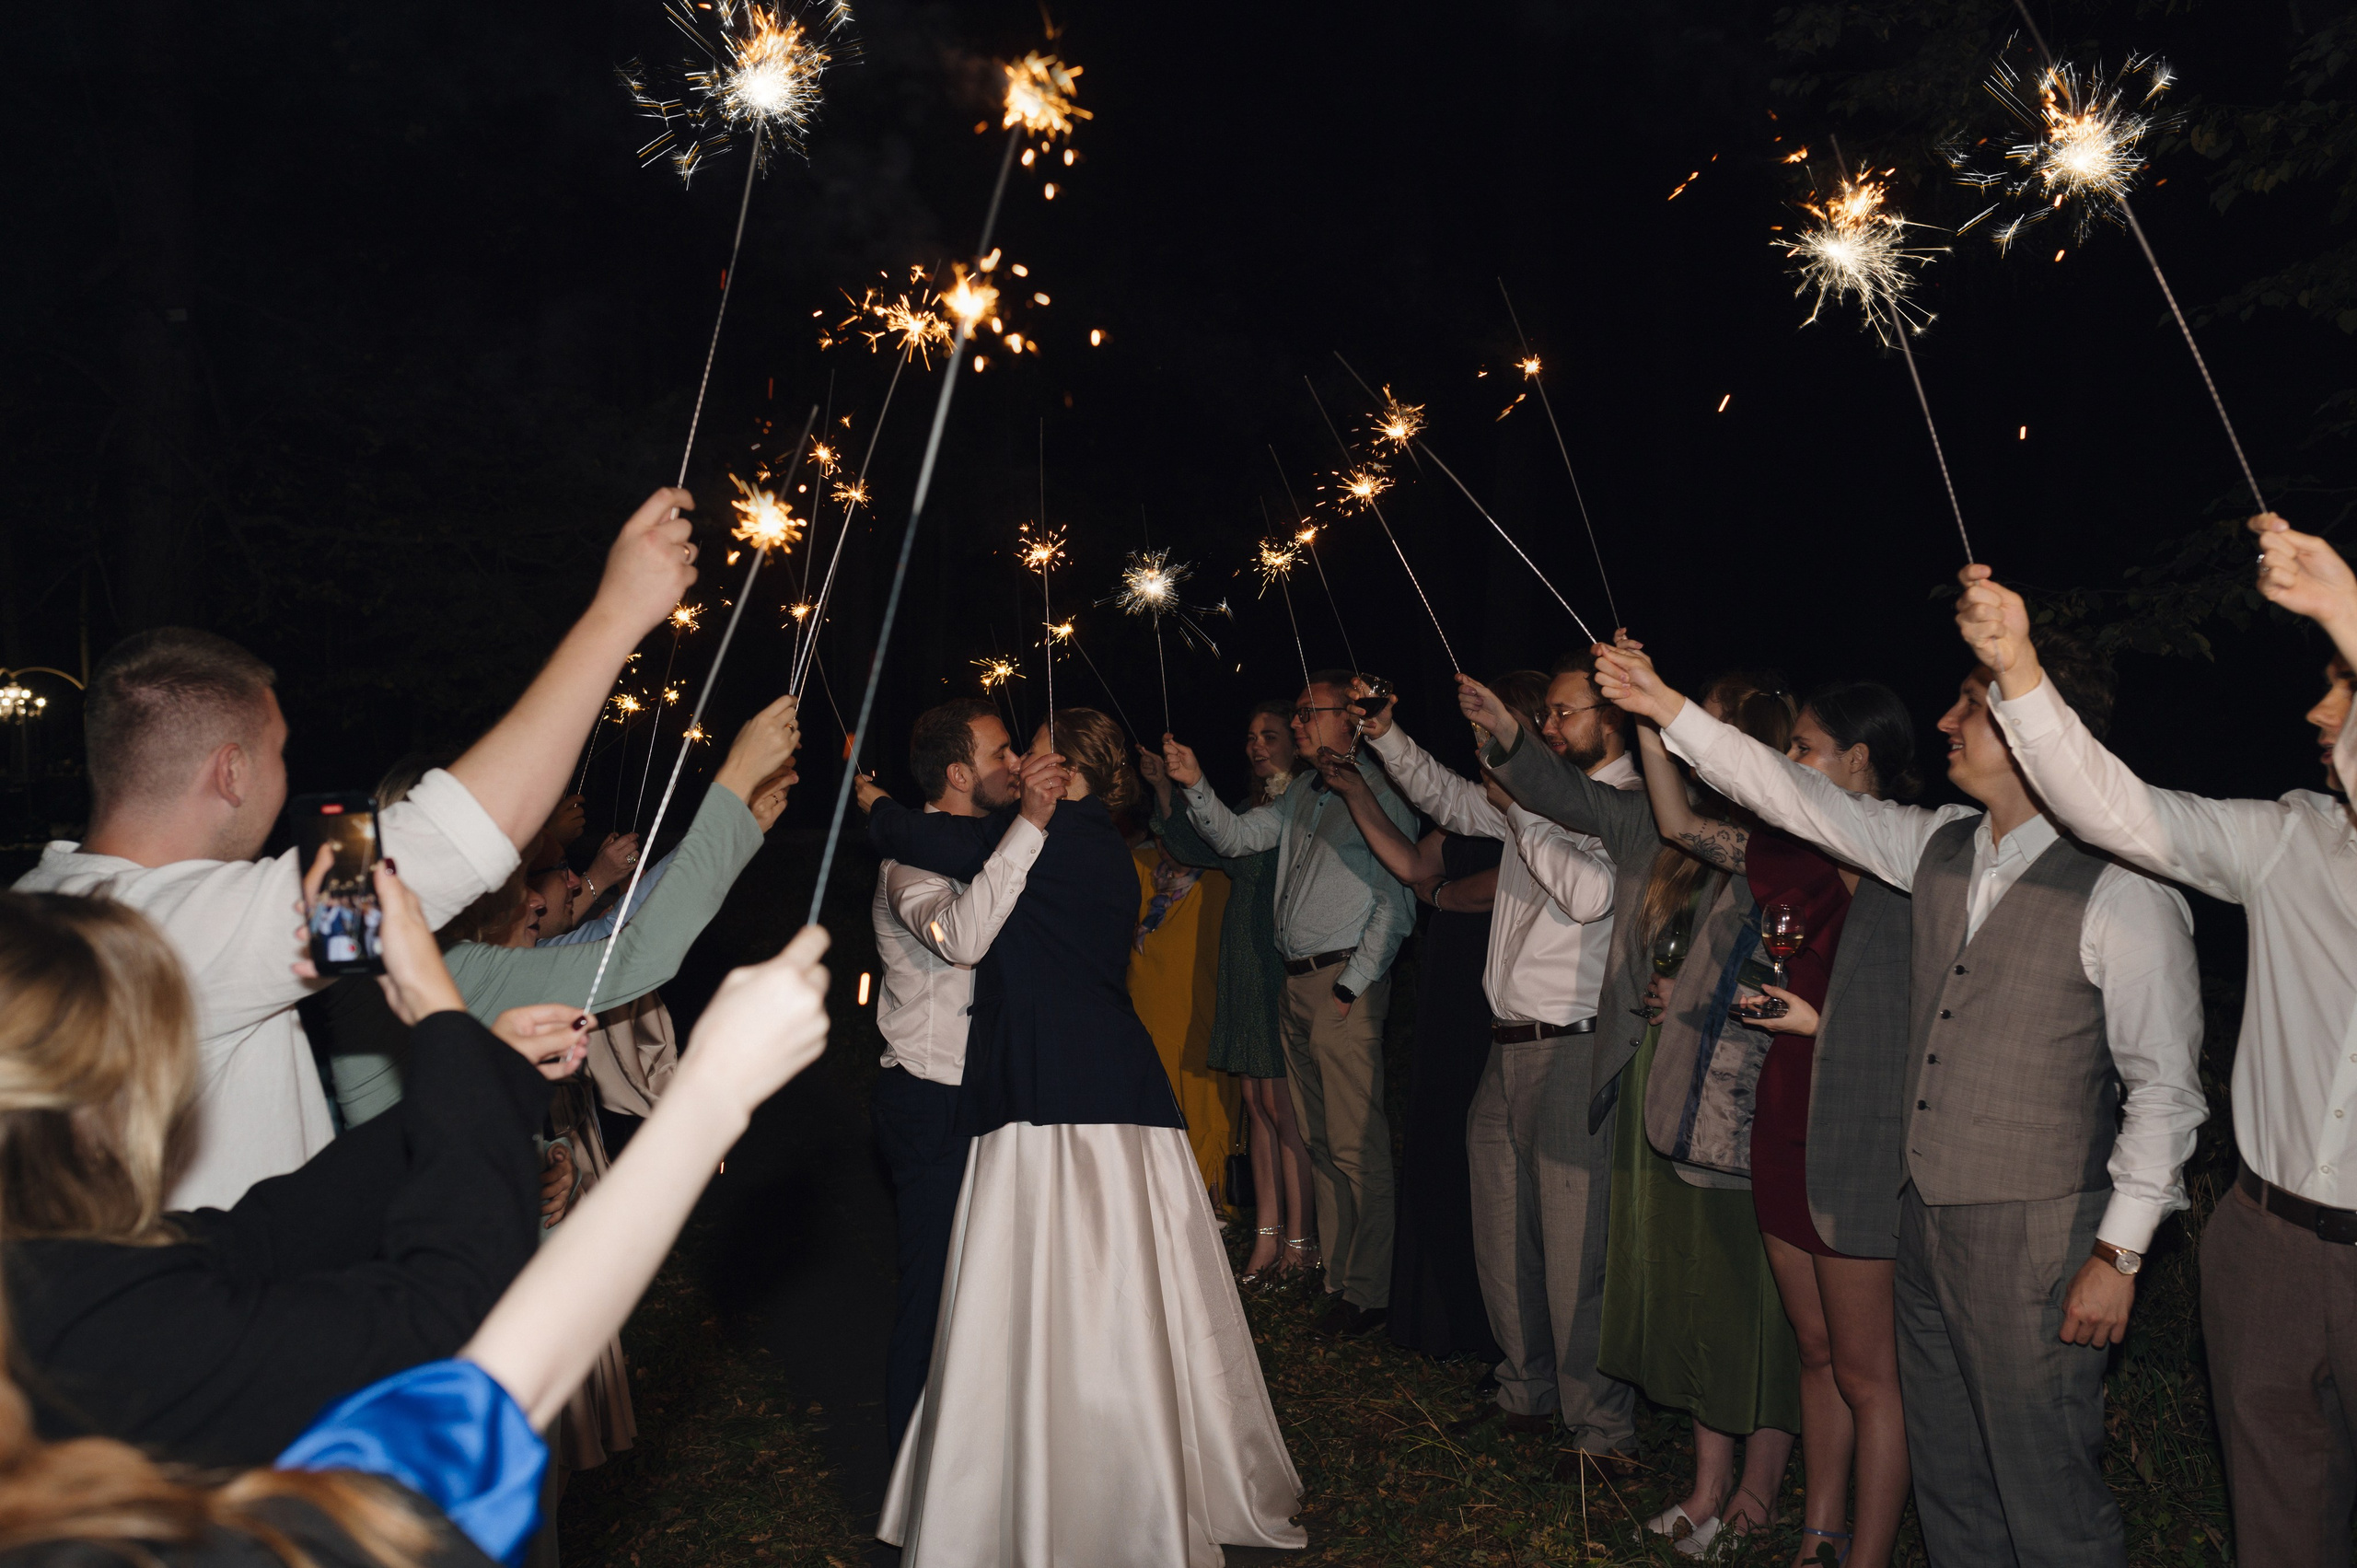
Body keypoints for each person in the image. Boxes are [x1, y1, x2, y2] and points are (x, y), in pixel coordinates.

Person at [1593, 630, 2206, 1568]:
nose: (1945, 719)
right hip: (1919, 1221)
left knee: (2044, 1490)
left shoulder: (2127, 887)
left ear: (2043, 729)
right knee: (1953, 1480)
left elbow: (2164, 1092)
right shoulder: (1936, 846)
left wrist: (2118, 1253)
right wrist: (1665, 708)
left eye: (1972, 703)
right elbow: (1792, 793)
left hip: (2037, 1234)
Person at [13, 488, 702, 1210]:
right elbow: (442, 845)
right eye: (280, 753)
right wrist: (616, 615)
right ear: (233, 771)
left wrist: (480, 1087)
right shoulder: (160, 932)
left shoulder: (42, 908)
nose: (289, 778)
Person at [1955, 514, 2357, 1568]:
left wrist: (2350, 611)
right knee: (2277, 1519)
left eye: (2348, 685)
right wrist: (2022, 674)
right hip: (2264, 1242)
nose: (2319, 707)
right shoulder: (2286, 838)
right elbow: (2118, 810)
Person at [869, 709, 1306, 1565]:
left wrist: (874, 802)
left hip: (1053, 1086)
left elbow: (945, 863)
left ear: (1060, 767)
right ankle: (1104, 1466)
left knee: (1048, 1286)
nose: (1019, 759)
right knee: (1121, 1285)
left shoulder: (1050, 836)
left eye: (1028, 745)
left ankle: (1076, 1480)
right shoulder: (1099, 840)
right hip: (1115, 1082)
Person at [0, 866, 585, 1469]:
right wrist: (437, 1010)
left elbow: (270, 1231)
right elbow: (437, 1322)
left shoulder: (45, 1267)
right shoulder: (104, 1325)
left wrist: (482, 1070)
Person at [1466, 667, 1804, 1553]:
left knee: (1748, 1301)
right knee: (1687, 1287)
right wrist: (1507, 729)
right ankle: (1705, 1485)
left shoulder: (1797, 845)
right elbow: (1554, 789)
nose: (1692, 740)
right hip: (1667, 1087)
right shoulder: (1683, 835)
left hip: (1751, 1101)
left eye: (1709, 725)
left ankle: (1756, 1495)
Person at [1611, 662, 1921, 1568]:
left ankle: (1865, 1552)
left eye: (1803, 747)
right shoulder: (1779, 847)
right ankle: (1816, 1535)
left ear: (1855, 759)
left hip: (1852, 1114)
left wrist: (1822, 1018)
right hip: (1781, 1108)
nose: (1788, 758)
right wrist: (1645, 719)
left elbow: (1915, 998)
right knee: (1815, 1345)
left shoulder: (1887, 854)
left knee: (1870, 1372)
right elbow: (1675, 823)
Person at [1332, 662, 1635, 1473]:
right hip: (1503, 1044)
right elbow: (1443, 796)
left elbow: (1590, 896)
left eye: (1565, 713)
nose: (1554, 726)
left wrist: (1524, 814)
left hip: (1574, 1043)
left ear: (1607, 720)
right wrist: (1387, 732)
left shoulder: (1624, 801)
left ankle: (1600, 1428)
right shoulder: (1541, 799)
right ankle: (1524, 1392)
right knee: (1503, 1234)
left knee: (1576, 1249)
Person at [1161, 671, 1419, 1338]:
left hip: (1340, 986)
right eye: (1297, 714)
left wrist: (1353, 982)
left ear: (1350, 720)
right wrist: (1192, 782)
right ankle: (1337, 1278)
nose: (1298, 724)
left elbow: (1399, 897)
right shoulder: (1304, 791)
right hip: (1295, 983)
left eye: (1309, 714)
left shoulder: (1383, 789)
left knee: (1359, 1145)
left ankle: (1372, 1291)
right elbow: (1237, 838)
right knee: (1322, 1140)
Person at [853, 698, 1051, 1456]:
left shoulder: (986, 845)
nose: (1017, 765)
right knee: (933, 1294)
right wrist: (1029, 827)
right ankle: (911, 1482)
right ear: (960, 772)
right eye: (1003, 752)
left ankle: (981, 1465)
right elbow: (963, 938)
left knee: (994, 1293)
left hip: (992, 1093)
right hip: (928, 1100)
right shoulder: (907, 864)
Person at [1142, 701, 1318, 1289]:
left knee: (1284, 1109)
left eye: (1271, 735)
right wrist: (1167, 788)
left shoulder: (1302, 807)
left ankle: (1301, 1242)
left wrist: (1192, 786)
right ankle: (1266, 1236)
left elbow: (1233, 843)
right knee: (1258, 1107)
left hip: (1275, 961)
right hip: (1242, 963)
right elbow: (1193, 848)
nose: (1258, 745)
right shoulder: (1249, 807)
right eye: (1251, 737)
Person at [1129, 823, 1242, 1202]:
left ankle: (1213, 1201)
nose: (1167, 845)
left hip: (1199, 1013)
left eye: (1175, 833)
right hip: (1144, 1018)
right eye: (1160, 834)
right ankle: (1158, 1202)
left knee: (1205, 1105)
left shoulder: (1219, 878)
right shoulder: (1140, 866)